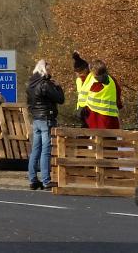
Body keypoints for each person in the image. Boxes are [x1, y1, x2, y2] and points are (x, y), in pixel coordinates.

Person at [26, 60, 64, 190]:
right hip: (46, 119)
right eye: (49, 69)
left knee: (35, 150)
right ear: (44, 70)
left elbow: (29, 104)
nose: (51, 71)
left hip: (36, 119)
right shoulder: (45, 84)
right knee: (46, 151)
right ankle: (46, 181)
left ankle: (32, 179)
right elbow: (60, 99)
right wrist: (58, 86)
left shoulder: (30, 84)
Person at [84, 60, 122, 129]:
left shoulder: (91, 80)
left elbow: (84, 95)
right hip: (111, 119)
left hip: (94, 118)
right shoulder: (112, 80)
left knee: (95, 138)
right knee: (111, 139)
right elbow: (118, 94)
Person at [72, 51, 92, 128]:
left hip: (90, 110)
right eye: (77, 73)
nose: (79, 75)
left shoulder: (92, 79)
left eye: (80, 72)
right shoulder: (78, 80)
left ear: (86, 69)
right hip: (82, 111)